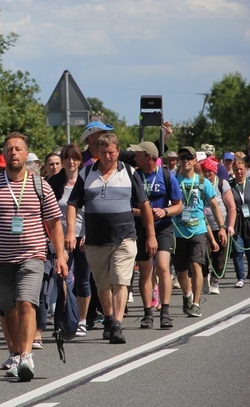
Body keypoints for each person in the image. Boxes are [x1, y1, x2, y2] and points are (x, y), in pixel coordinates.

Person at [0, 132, 68, 381]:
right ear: (4, 154)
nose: (14, 153)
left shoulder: (41, 186)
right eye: (9, 149)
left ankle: (27, 355)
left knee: (26, 303)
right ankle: (15, 354)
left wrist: (60, 256)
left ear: (26, 154)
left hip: (32, 255)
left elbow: (54, 223)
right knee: (8, 309)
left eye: (18, 149)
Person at [67, 133, 156, 344]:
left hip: (124, 237)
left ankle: (116, 324)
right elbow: (73, 204)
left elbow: (144, 205)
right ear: (98, 153)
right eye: (104, 152)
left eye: (112, 151)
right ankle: (108, 318)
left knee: (120, 280)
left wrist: (151, 235)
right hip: (95, 240)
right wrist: (71, 232)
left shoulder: (129, 172)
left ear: (118, 152)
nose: (108, 155)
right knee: (102, 284)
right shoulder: (86, 173)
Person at [127, 141, 183, 329]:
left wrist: (165, 211)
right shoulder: (134, 175)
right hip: (141, 227)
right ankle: (147, 313)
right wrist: (143, 212)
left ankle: (165, 312)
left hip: (164, 227)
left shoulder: (166, 176)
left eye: (138, 154)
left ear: (149, 157)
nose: (135, 158)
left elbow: (178, 205)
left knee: (163, 267)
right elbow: (127, 205)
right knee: (145, 271)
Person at [171, 146, 227, 317]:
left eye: (189, 157)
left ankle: (196, 303)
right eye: (182, 157)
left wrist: (222, 228)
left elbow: (215, 206)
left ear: (195, 161)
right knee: (181, 272)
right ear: (179, 161)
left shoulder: (203, 182)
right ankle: (187, 295)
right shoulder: (174, 181)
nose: (185, 160)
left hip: (198, 230)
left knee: (196, 265)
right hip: (178, 231)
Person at [48, 143, 91, 337]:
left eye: (74, 158)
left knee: (83, 280)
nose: (71, 162)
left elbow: (94, 209)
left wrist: (88, 234)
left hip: (83, 236)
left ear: (80, 161)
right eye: (67, 158)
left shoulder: (87, 180)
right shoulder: (53, 182)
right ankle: (64, 318)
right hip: (61, 238)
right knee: (63, 278)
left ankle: (81, 320)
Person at [200, 157, 236, 294]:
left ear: (214, 171)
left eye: (209, 171)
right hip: (203, 226)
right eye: (204, 170)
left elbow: (232, 207)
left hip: (221, 226)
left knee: (220, 256)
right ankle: (204, 278)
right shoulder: (200, 183)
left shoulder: (222, 184)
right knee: (203, 254)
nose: (207, 173)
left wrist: (230, 226)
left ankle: (215, 281)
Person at [228, 159, 250, 287]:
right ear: (233, 171)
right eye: (236, 169)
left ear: (245, 169)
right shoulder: (229, 185)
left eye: (241, 169)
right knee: (238, 250)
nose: (239, 172)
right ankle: (240, 277)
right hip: (237, 220)